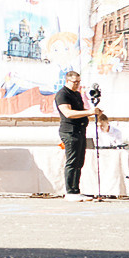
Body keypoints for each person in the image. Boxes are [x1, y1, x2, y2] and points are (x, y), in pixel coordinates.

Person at [52, 69, 90, 199]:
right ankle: (70, 191)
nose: (77, 84)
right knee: (72, 161)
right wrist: (89, 112)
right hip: (70, 131)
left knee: (80, 161)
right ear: (67, 81)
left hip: (80, 130)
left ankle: (76, 189)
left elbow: (80, 110)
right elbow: (68, 113)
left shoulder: (77, 94)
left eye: (79, 82)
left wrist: (92, 111)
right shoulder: (62, 94)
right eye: (75, 82)